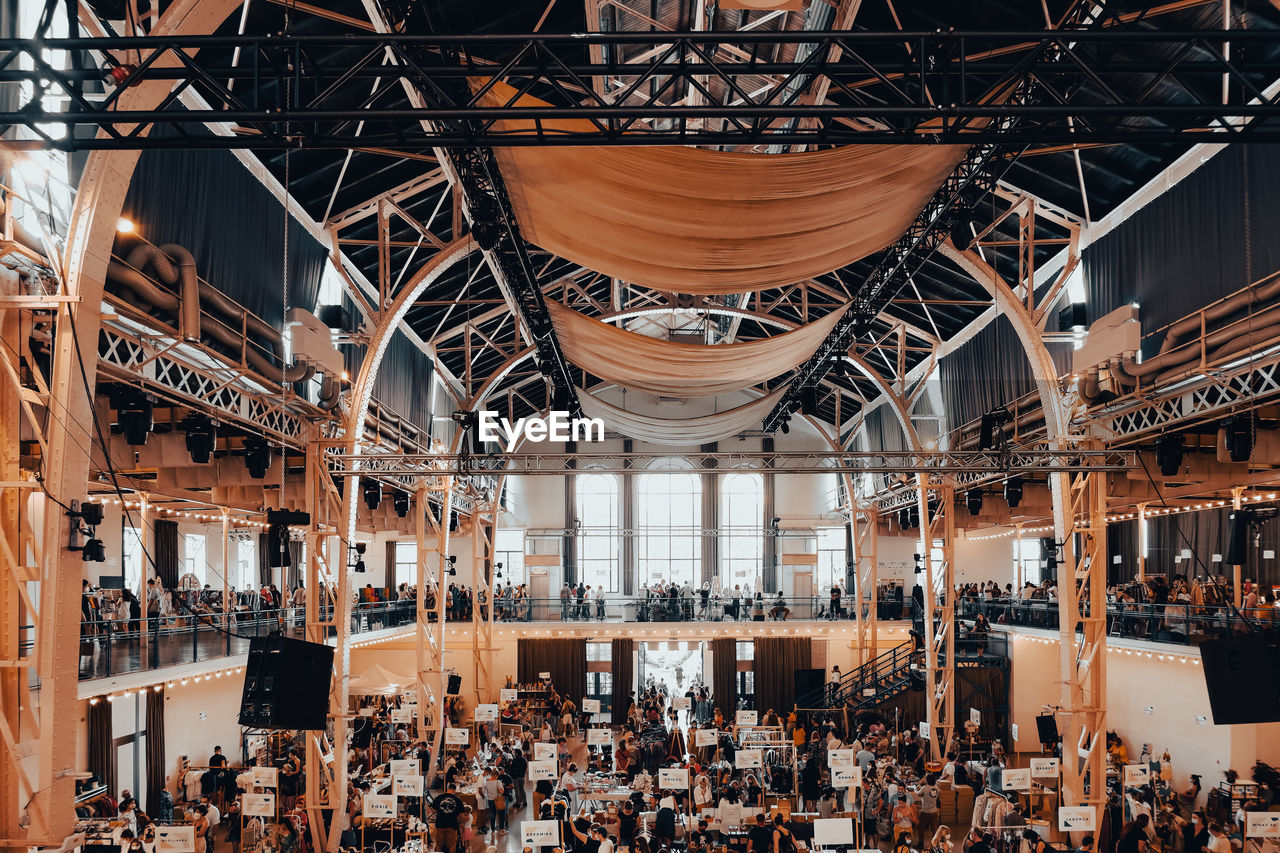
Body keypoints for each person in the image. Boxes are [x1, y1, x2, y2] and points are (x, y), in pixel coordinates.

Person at [432, 782, 465, 853]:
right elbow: (461, 816)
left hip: (440, 824)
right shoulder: (458, 799)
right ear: (455, 790)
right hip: (452, 825)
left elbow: (434, 810)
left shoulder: (439, 797)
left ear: (448, 788)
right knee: (452, 845)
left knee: (438, 845)